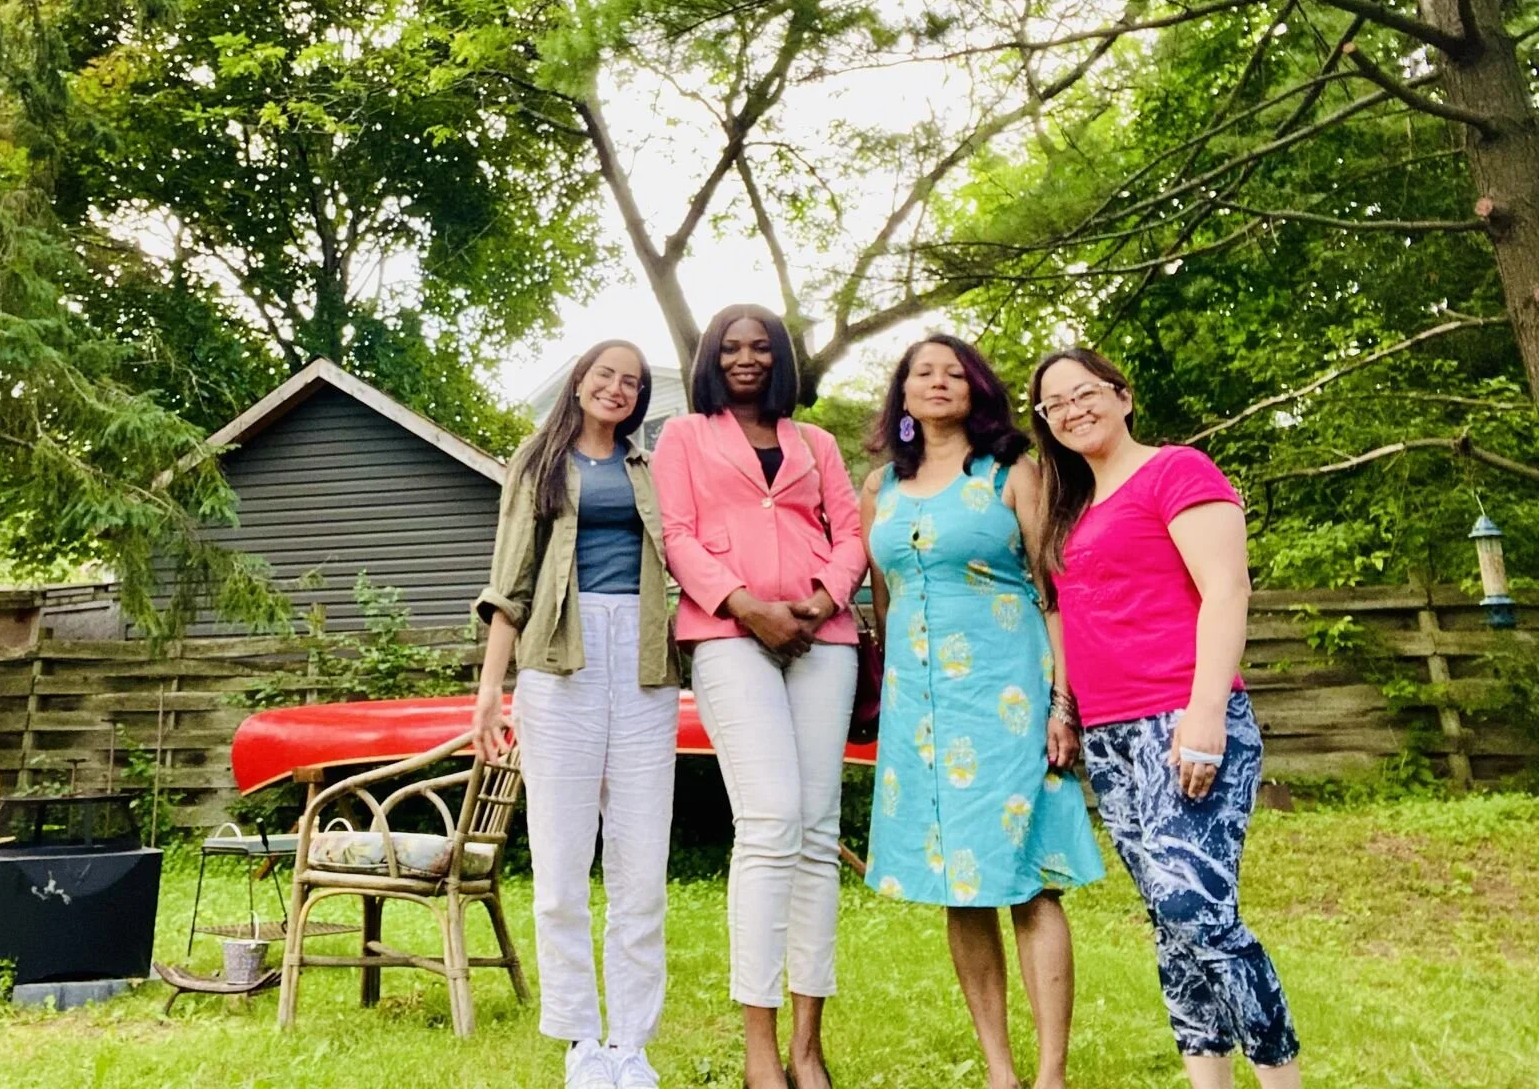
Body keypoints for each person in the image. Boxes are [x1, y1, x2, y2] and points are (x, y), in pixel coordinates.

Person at [1028, 348, 1303, 1089]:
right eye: (1055, 405)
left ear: (1122, 396)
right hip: (1111, 736)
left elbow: (1227, 589)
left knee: (1197, 909)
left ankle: (1281, 1080)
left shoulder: (1177, 470)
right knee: (1171, 923)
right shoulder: (1070, 510)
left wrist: (1206, 713)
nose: (1073, 410)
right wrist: (1068, 710)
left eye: (1085, 392)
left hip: (1185, 718)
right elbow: (1067, 618)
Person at [861, 336, 1103, 1089]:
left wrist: (1063, 703)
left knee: (1029, 879)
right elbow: (885, 603)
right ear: (903, 394)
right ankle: (1000, 1071)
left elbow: (1053, 592)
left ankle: (1051, 1073)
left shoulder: (1011, 472)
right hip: (921, 712)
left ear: (977, 390)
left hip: (1010, 703)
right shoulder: (880, 488)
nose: (938, 382)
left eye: (953, 372)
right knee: (957, 886)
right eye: (922, 373)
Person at [650, 304, 865, 1089]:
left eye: (762, 347)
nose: (747, 358)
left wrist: (823, 598)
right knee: (771, 821)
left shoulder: (818, 443)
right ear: (712, 359)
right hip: (728, 633)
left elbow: (851, 534)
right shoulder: (683, 436)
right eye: (732, 348)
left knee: (816, 830)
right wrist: (746, 606)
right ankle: (760, 1051)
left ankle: (808, 1047)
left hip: (822, 638)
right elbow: (675, 535)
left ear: (781, 359)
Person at [472, 339, 681, 1089]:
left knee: (641, 868)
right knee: (561, 865)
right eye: (605, 375)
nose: (617, 388)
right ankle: (580, 1042)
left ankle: (630, 1044)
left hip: (646, 660)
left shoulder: (651, 467)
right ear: (580, 382)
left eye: (632, 381)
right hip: (559, 660)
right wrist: (490, 691)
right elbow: (509, 584)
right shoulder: (539, 461)